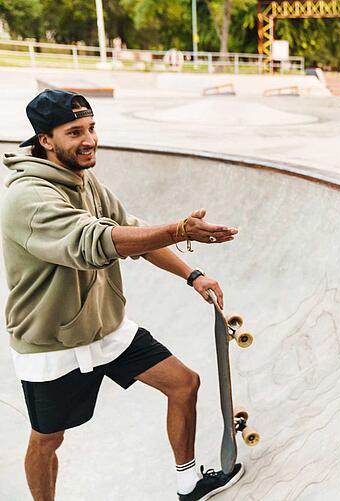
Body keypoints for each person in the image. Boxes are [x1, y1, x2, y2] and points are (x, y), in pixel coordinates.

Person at [2, 89, 242, 499]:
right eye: (74, 132)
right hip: (50, 344)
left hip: (106, 327)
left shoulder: (86, 180)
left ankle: (188, 483)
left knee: (184, 384)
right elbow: (98, 241)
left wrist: (193, 275)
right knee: (47, 439)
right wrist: (179, 229)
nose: (90, 139)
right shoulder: (27, 198)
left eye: (92, 128)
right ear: (46, 140)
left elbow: (131, 229)